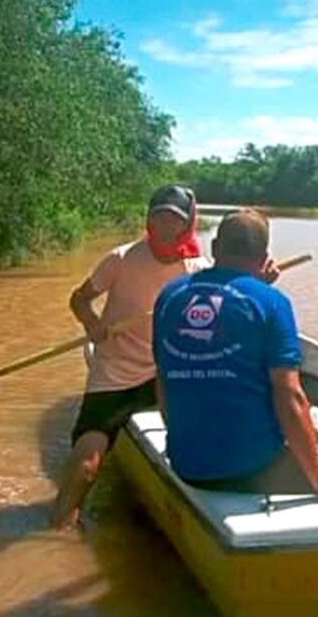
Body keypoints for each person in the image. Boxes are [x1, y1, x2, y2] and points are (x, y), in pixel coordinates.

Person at [152, 209, 318, 503]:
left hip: (186, 462)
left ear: (214, 249)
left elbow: (163, 380)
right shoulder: (271, 302)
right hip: (247, 470)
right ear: (264, 258)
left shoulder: (169, 296)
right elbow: (289, 395)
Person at [50, 185, 209, 529]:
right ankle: (59, 527)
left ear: (187, 226)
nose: (165, 228)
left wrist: (261, 281)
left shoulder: (198, 270)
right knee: (87, 467)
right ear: (148, 221)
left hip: (166, 372)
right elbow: (79, 299)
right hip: (114, 371)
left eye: (174, 220)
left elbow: (228, 307)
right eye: (158, 218)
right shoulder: (121, 259)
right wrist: (92, 323)